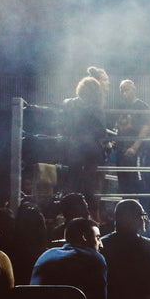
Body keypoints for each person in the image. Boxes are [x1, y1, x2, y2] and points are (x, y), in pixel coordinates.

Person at [61, 70, 110, 202]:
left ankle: (70, 209)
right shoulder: (96, 107)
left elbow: (65, 126)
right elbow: (101, 131)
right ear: (96, 92)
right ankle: (88, 210)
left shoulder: (71, 104)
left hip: (74, 147)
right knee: (90, 182)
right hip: (91, 149)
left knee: (72, 179)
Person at [108, 79, 150, 197]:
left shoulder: (142, 106)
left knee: (136, 180)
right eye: (122, 90)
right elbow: (116, 126)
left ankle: (136, 210)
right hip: (121, 147)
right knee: (122, 180)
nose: (124, 93)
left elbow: (145, 129)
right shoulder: (120, 106)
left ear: (134, 90)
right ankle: (124, 209)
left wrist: (134, 147)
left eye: (126, 90)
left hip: (136, 149)